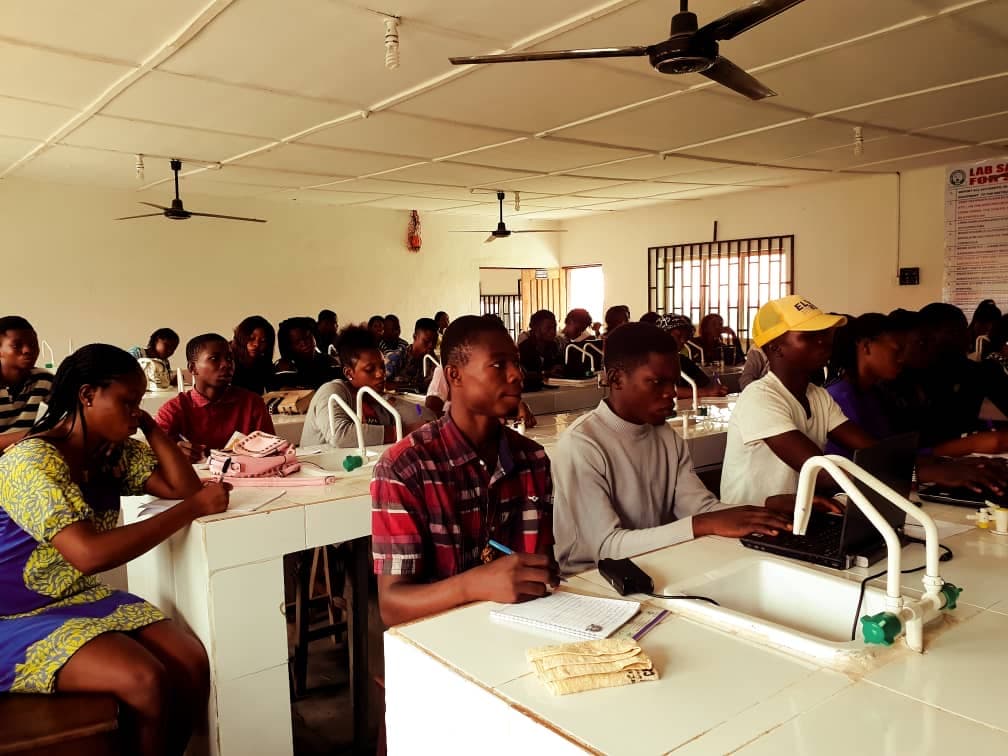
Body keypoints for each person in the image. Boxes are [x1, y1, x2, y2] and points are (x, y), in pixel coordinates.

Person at [0, 344, 229, 756]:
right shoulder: (30, 462)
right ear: (87, 395)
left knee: (191, 662)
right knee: (144, 678)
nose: (134, 412)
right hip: (13, 613)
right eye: (127, 401)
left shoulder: (110, 452)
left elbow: (184, 488)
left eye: (139, 403)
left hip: (75, 596)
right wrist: (193, 509)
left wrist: (149, 426)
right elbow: (89, 554)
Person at [551, 323, 792, 574]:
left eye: (674, 383)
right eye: (657, 382)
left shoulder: (665, 435)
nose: (671, 393)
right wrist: (700, 524)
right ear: (616, 379)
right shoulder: (582, 444)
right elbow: (604, 547)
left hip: (653, 563)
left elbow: (701, 509)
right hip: (592, 581)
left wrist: (765, 511)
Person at [371, 315, 558, 626]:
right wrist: (475, 583)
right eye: (499, 365)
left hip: (520, 635)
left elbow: (538, 572)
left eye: (516, 363)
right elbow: (391, 605)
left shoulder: (532, 459)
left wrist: (539, 573)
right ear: (454, 376)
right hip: (439, 643)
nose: (516, 375)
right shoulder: (405, 466)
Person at [720, 296, 875, 507]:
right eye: (809, 336)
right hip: (749, 525)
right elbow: (819, 471)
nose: (823, 341)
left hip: (796, 517)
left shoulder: (818, 396)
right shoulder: (759, 397)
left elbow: (871, 450)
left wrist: (898, 466)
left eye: (824, 333)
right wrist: (890, 472)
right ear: (775, 348)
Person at [825, 314, 1006, 493]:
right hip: (849, 495)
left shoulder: (873, 394)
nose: (903, 359)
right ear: (866, 347)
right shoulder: (839, 398)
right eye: (897, 350)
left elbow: (893, 455)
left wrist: (950, 463)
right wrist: (934, 471)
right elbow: (875, 461)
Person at [301, 326, 432, 448]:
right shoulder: (332, 392)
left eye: (382, 366)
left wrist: (393, 401)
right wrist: (403, 431)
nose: (381, 374)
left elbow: (423, 415)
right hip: (318, 468)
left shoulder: (376, 398)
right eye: (370, 369)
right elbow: (341, 435)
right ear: (349, 373)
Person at [155, 333, 274, 460]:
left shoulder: (252, 403)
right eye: (214, 359)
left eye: (229, 358)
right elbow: (151, 455)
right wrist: (171, 454)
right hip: (193, 478)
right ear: (193, 368)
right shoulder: (173, 410)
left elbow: (272, 452)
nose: (226, 364)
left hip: (245, 476)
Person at [0, 315, 54, 451]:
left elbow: (73, 412)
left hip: (23, 455)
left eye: (33, 344)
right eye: (17, 345)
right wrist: (35, 434)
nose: (28, 350)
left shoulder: (43, 379)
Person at [656, 314, 729, 399]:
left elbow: (706, 383)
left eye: (685, 337)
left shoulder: (683, 361)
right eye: (678, 336)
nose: (683, 340)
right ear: (663, 335)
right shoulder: (651, 362)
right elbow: (662, 390)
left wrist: (717, 389)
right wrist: (705, 392)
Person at [272, 316, 337, 390]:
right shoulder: (284, 366)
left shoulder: (329, 361)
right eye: (297, 341)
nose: (304, 343)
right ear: (288, 346)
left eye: (307, 337)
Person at [385, 317, 438, 390]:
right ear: (415, 337)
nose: (431, 345)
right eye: (426, 341)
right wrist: (414, 386)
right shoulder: (396, 357)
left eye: (434, 342)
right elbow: (383, 384)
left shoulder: (433, 361)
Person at [518, 309, 563, 391]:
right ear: (536, 328)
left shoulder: (553, 346)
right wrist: (546, 373)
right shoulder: (524, 348)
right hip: (530, 394)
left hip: (551, 392)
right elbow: (524, 374)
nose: (553, 332)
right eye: (548, 328)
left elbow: (558, 366)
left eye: (554, 327)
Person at [230, 315, 275, 394]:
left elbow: (272, 390)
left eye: (263, 341)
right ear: (241, 337)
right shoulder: (227, 358)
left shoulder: (264, 362)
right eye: (251, 338)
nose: (256, 344)